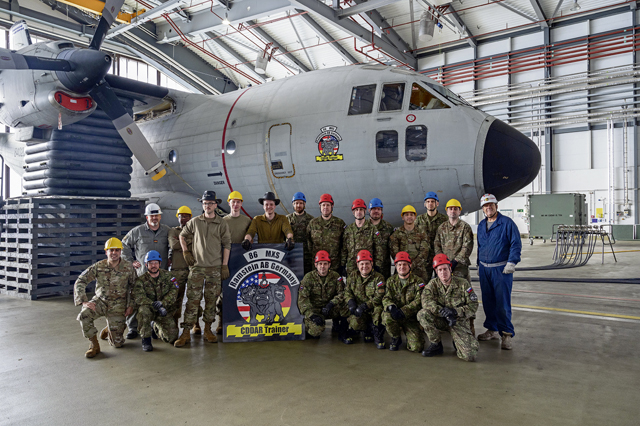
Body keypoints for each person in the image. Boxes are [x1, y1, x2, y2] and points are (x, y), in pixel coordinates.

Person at [174, 191, 231, 347]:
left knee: (211, 301)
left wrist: (224, 265)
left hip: (214, 268)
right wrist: (186, 252)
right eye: (205, 203)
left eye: (210, 203)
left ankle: (208, 329)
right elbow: (182, 235)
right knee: (192, 301)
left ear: (215, 205)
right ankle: (186, 332)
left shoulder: (221, 223)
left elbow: (227, 245)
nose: (207, 206)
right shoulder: (195, 221)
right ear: (203, 205)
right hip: (197, 268)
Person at [74, 238, 136, 358]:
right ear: (106, 252)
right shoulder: (99, 266)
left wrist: (130, 305)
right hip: (100, 301)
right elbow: (80, 281)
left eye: (117, 250)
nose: (114, 253)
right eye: (111, 250)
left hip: (119, 305)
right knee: (84, 315)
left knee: (117, 344)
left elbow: (134, 287)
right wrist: (84, 301)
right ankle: (94, 345)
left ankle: (110, 328)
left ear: (121, 251)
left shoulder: (128, 267)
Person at [476, 193, 522, 350]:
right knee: (488, 302)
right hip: (485, 269)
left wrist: (512, 262)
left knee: (502, 303)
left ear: (496, 206)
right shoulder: (481, 225)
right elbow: (480, 246)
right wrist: (478, 264)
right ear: (483, 209)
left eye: (491, 205)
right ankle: (492, 329)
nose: (488, 208)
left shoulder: (507, 223)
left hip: (501, 270)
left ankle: (506, 334)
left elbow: (516, 244)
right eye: (485, 206)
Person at [121, 202, 171, 339]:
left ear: (160, 216)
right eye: (151, 216)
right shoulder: (137, 231)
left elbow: (173, 245)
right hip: (142, 274)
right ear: (147, 217)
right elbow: (124, 245)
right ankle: (133, 328)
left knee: (157, 301)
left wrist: (170, 257)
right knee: (136, 300)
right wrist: (131, 261)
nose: (154, 218)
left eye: (156, 215)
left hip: (160, 276)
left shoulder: (166, 231)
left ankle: (154, 327)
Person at [418, 254, 479, 362]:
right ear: (436, 272)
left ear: (450, 269)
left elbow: (473, 305)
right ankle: (436, 344)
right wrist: (443, 312)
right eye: (440, 270)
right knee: (423, 314)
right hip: (441, 319)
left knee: (469, 356)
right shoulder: (432, 284)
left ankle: (457, 340)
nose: (443, 272)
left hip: (457, 321)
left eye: (445, 269)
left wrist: (455, 312)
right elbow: (426, 301)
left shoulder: (463, 284)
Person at [434, 198, 475, 335]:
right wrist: (442, 262)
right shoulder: (442, 228)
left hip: (460, 268)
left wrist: (456, 261)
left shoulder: (465, 227)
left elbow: (467, 246)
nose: (453, 211)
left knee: (464, 296)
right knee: (444, 295)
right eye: (450, 208)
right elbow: (437, 245)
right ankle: (447, 322)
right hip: (444, 268)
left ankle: (469, 323)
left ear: (459, 211)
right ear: (447, 211)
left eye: (455, 209)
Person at [297, 250, 350, 342]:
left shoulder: (336, 276)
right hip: (315, 310)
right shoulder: (308, 277)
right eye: (320, 264)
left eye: (325, 264)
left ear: (329, 265)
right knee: (315, 331)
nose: (322, 266)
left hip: (330, 308)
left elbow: (343, 293)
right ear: (315, 265)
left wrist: (331, 303)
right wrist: (312, 315)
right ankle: (309, 326)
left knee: (347, 306)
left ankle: (342, 331)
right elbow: (303, 299)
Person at [219, 191, 252, 334]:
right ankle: (221, 321)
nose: (236, 204)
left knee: (243, 291)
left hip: (242, 261)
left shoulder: (247, 221)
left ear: (241, 203)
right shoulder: (223, 221)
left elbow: (251, 238)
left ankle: (241, 320)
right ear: (229, 203)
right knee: (224, 292)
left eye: (238, 202)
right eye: (233, 202)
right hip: (226, 261)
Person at [133, 250, 179, 351]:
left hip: (164, 310)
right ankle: (146, 339)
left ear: (160, 264)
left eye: (156, 262)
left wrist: (163, 303)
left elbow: (174, 291)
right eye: (150, 263)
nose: (153, 265)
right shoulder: (140, 280)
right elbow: (139, 297)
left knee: (171, 338)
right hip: (149, 309)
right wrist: (154, 305)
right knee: (143, 311)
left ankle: (154, 326)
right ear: (146, 265)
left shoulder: (169, 276)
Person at [382, 252, 425, 353]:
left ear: (410, 265)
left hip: (411, 318)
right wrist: (391, 307)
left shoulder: (418, 281)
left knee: (417, 347)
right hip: (395, 315)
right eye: (399, 264)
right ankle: (396, 337)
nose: (402, 267)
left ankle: (411, 335)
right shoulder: (391, 281)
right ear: (396, 266)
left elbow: (419, 301)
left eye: (405, 264)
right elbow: (386, 297)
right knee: (386, 316)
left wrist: (404, 311)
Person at [168, 206, 202, 333]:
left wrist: (181, 241)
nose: (183, 219)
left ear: (190, 218)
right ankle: (175, 324)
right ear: (178, 218)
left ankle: (195, 323)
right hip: (177, 270)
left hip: (193, 268)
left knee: (195, 297)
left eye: (186, 216)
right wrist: (190, 241)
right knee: (176, 298)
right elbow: (174, 245)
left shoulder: (196, 230)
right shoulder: (173, 231)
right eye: (181, 216)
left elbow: (198, 245)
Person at [342, 250, 386, 345]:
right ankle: (363, 329)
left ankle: (377, 334)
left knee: (380, 314)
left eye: (367, 263)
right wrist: (350, 302)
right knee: (355, 323)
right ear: (358, 265)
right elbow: (347, 292)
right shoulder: (353, 276)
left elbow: (379, 296)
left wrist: (365, 306)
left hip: (373, 308)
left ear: (372, 264)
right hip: (358, 309)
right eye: (362, 264)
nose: (364, 266)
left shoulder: (378, 278)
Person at [389, 205, 431, 282]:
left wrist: (412, 265)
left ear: (415, 217)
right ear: (403, 217)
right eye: (406, 215)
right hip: (401, 270)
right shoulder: (396, 234)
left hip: (419, 270)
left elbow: (424, 252)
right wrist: (405, 265)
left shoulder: (422, 233)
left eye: (411, 215)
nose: (409, 217)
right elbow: (394, 253)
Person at [306, 194, 346, 273]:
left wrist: (343, 264)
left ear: (332, 206)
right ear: (320, 206)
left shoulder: (340, 224)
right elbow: (309, 243)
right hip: (318, 266)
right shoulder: (313, 224)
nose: (325, 207)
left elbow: (344, 245)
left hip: (335, 266)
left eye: (328, 205)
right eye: (323, 205)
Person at [341, 199, 379, 276]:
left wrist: (377, 266)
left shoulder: (372, 229)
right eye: (356, 210)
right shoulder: (348, 230)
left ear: (365, 211)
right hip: (352, 268)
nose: (359, 212)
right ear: (353, 212)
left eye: (361, 209)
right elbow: (344, 249)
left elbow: (378, 249)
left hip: (367, 267)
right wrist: (342, 265)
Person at [416, 191, 448, 280]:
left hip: (440, 256)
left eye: (433, 201)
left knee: (441, 281)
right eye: (428, 201)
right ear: (425, 204)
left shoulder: (444, 219)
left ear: (437, 203)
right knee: (424, 282)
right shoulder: (419, 220)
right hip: (425, 259)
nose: (430, 204)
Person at [286, 192, 314, 274]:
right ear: (293, 204)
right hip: (292, 254)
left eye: (301, 203)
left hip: (307, 256)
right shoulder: (287, 219)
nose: (298, 205)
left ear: (304, 204)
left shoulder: (311, 220)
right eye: (296, 203)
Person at [367, 198, 394, 279]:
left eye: (379, 209)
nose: (376, 211)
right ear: (369, 210)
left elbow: (393, 248)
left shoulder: (388, 228)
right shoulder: (364, 227)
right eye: (374, 209)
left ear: (381, 211)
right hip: (366, 267)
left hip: (384, 269)